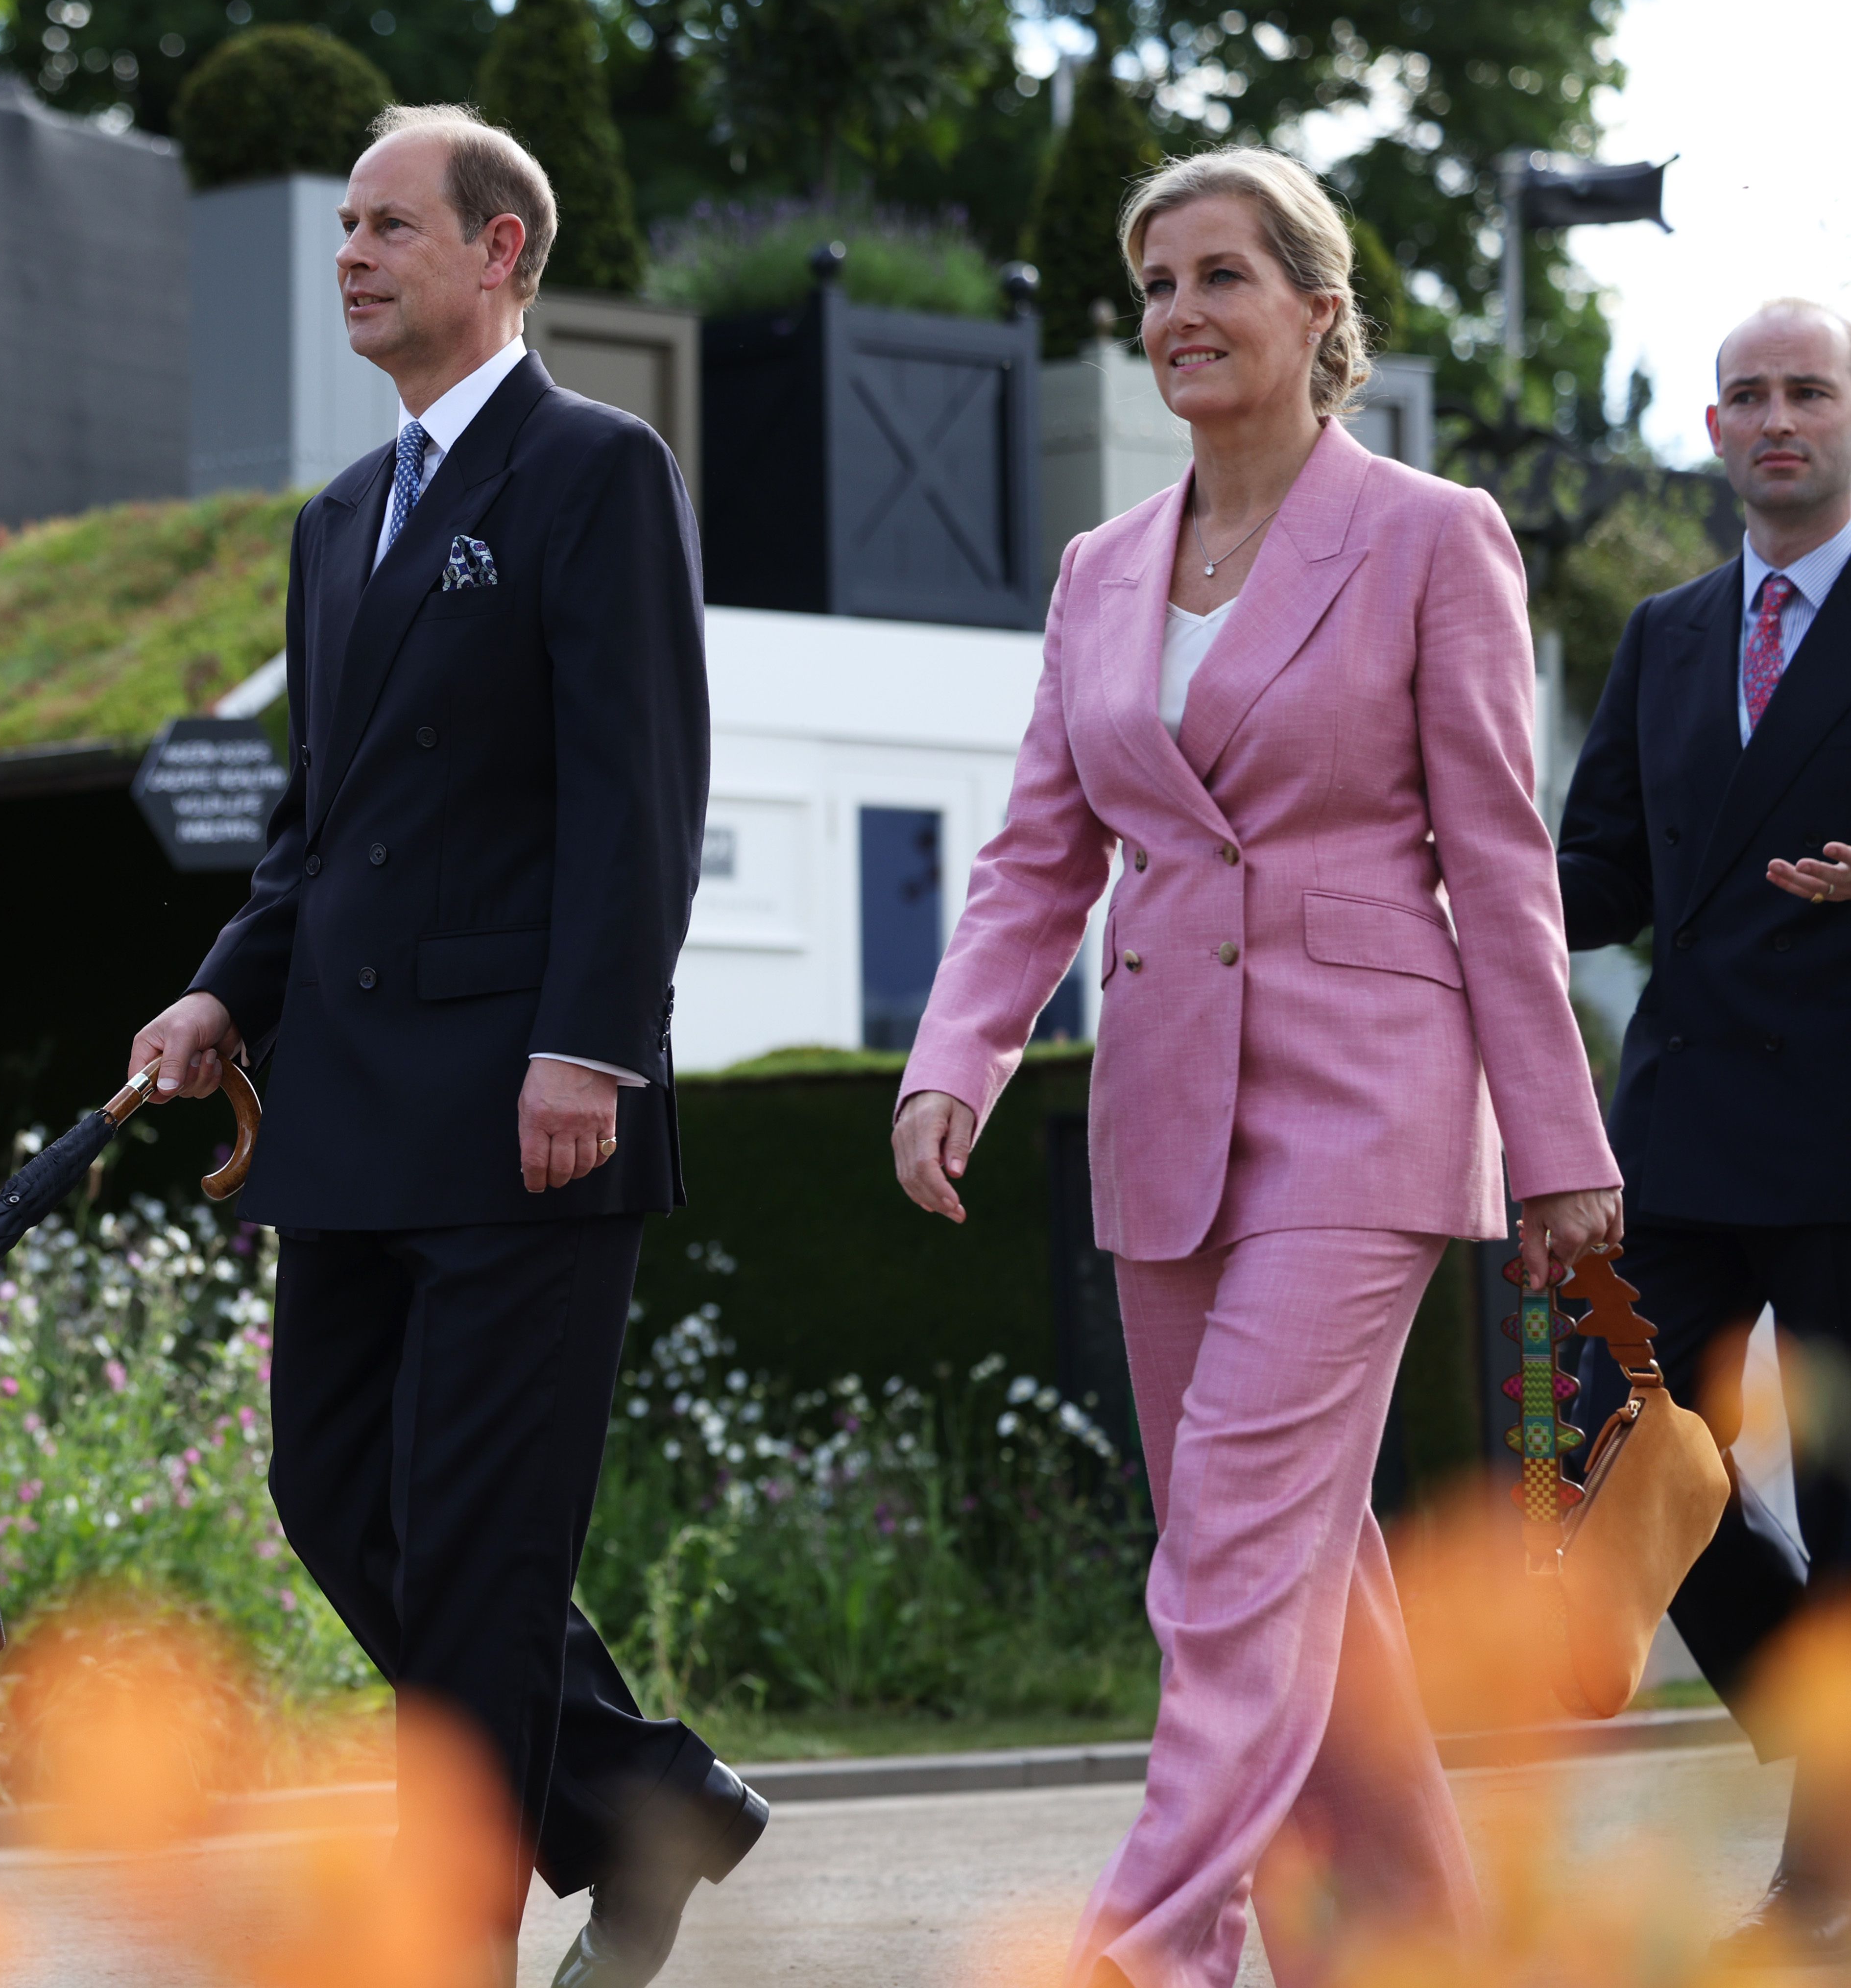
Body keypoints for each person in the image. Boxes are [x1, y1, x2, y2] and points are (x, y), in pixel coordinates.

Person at [888, 146, 1621, 1988]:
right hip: (1158, 1110)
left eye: (1219, 274)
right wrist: (952, 1053)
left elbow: (1497, 853)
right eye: (1151, 284)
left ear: (1316, 307)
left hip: (1364, 1095)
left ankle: (1151, 1939)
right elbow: (1034, 854)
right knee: (1297, 1571)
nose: (1177, 314)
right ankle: (1409, 1943)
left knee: (1224, 1536)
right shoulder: (1095, 568)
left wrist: (1553, 1141)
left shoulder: (1427, 529)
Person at [125, 105, 767, 1988]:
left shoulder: (594, 468)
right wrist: (220, 988)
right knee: (333, 1493)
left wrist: (591, 1044)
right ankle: (639, 1793)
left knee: (477, 1552)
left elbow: (636, 789)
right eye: (340, 227)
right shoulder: (337, 521)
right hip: (345, 1107)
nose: (348, 253)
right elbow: (310, 831)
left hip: (524, 1113)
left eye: (388, 225)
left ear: (499, 253)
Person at [1555, 296, 1851, 1962]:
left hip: (1839, 1137)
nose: (1772, 417)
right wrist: (1451, 883)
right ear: (1714, 429)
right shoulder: (1667, 632)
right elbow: (1598, 864)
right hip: (1674, 1127)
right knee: (1612, 1442)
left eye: (1802, 390)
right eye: (1742, 394)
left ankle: (1815, 1879)